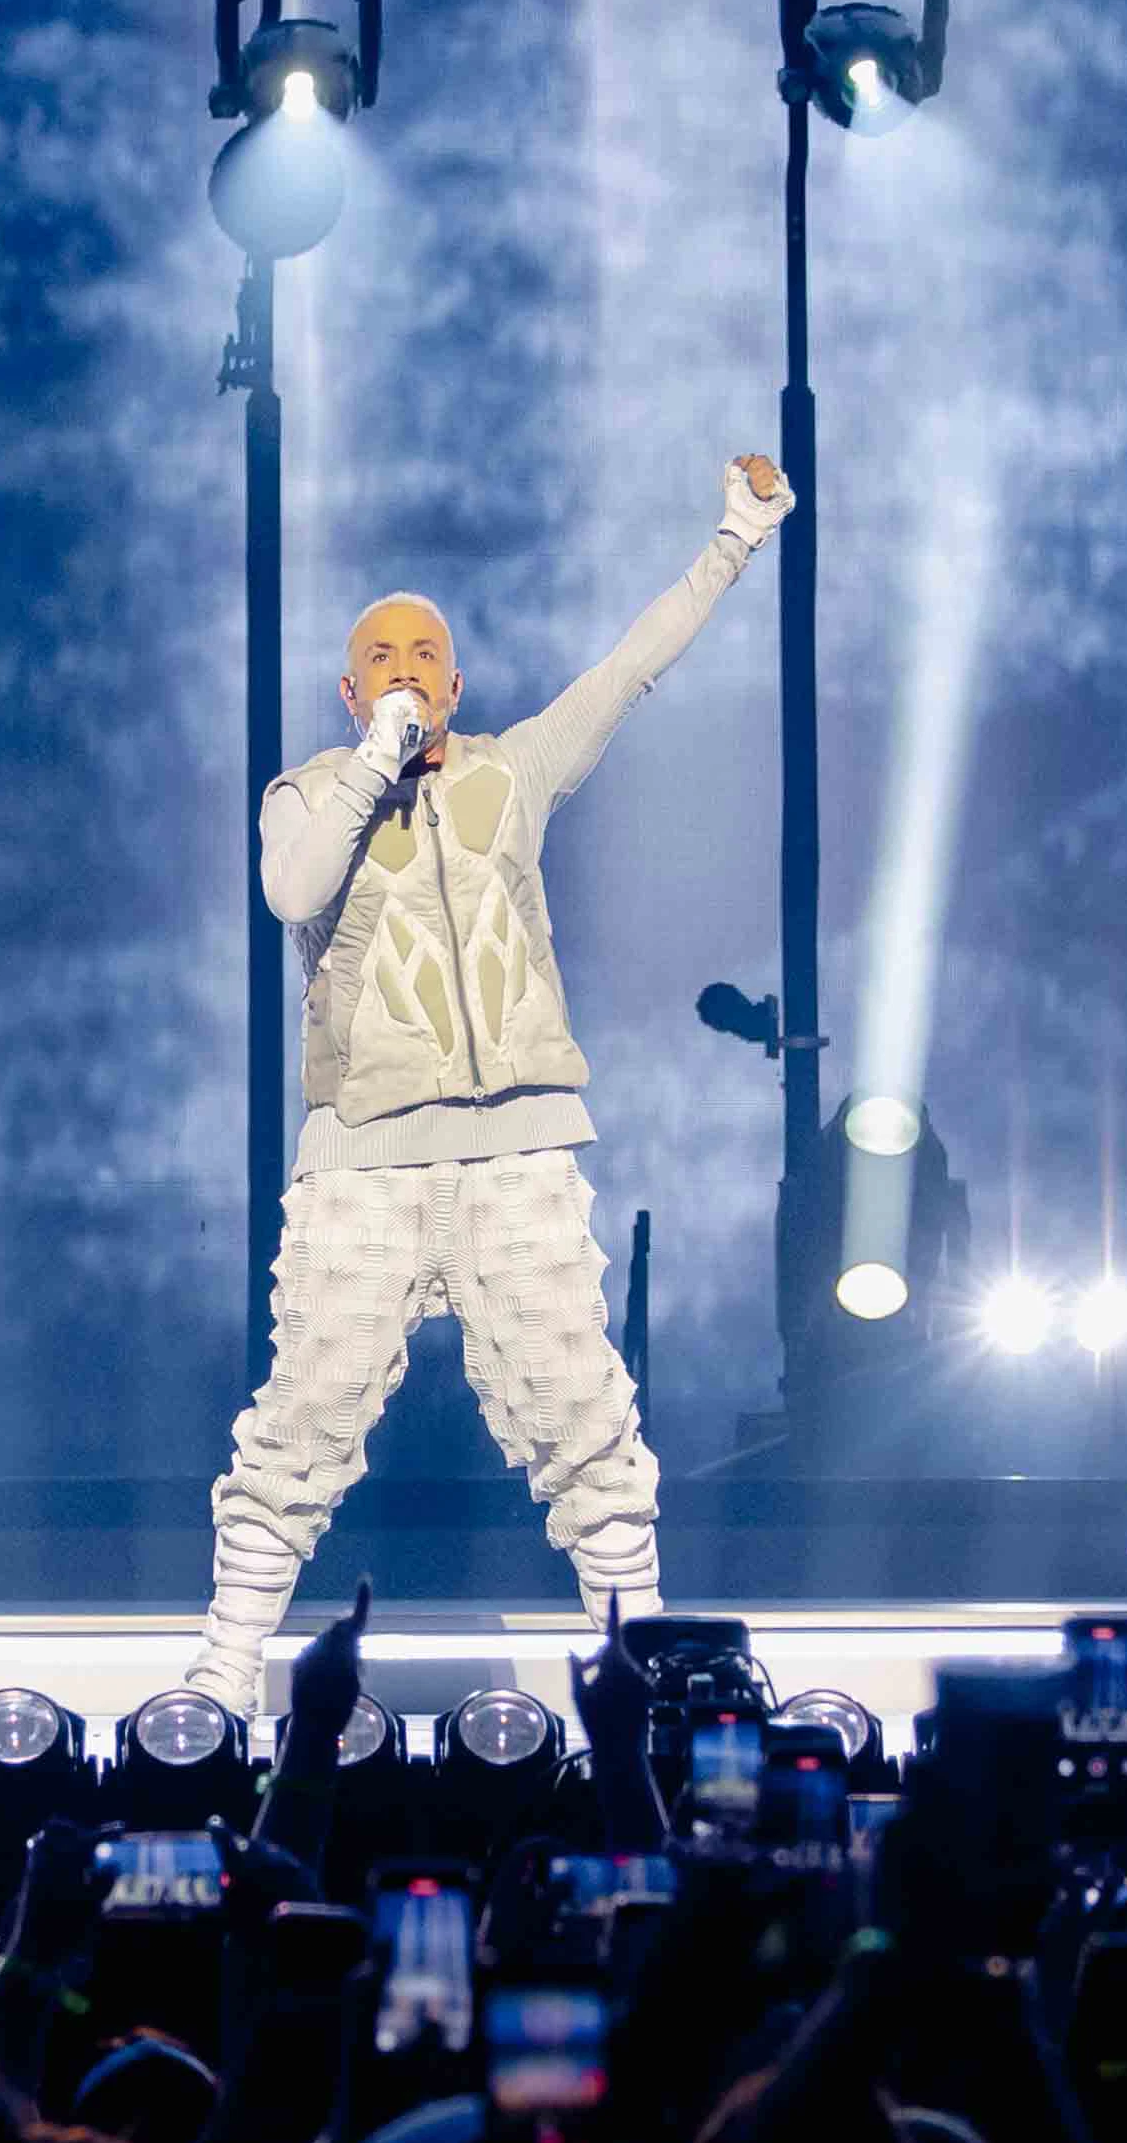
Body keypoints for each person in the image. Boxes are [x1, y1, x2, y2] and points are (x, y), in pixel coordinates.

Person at [184, 456, 793, 1708]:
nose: (405, 668)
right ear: (349, 688)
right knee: (303, 1419)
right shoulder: (307, 793)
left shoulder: (512, 773)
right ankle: (225, 1668)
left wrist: (734, 538)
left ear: (456, 683)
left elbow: (630, 667)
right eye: (381, 657)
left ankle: (638, 1680)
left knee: (581, 1415)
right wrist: (373, 763)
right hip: (364, 1158)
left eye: (426, 655)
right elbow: (292, 891)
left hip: (517, 1149)